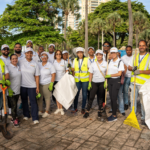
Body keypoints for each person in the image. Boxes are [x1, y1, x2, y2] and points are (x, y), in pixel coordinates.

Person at [128, 40, 150, 126]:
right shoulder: (134, 56)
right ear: (138, 46)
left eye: (143, 45)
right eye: (140, 45)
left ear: (146, 46)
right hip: (134, 82)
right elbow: (129, 67)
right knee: (132, 100)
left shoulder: (149, 57)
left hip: (143, 84)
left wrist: (140, 71)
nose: (141, 47)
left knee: (143, 101)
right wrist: (133, 68)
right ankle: (132, 114)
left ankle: (144, 118)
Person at [19, 47, 40, 124]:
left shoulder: (35, 64)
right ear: (25, 54)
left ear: (32, 54)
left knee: (33, 101)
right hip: (23, 85)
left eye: (30, 53)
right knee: (24, 100)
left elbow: (37, 76)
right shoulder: (20, 61)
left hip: (32, 86)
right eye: (27, 53)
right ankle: (26, 115)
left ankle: (35, 118)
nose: (29, 54)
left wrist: (37, 87)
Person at [84, 50, 107, 118]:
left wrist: (106, 81)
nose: (99, 56)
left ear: (102, 55)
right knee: (91, 97)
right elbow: (91, 74)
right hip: (94, 82)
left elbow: (106, 73)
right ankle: (87, 111)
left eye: (100, 55)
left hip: (102, 82)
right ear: (96, 56)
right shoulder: (93, 64)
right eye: (97, 55)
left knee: (100, 97)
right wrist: (90, 82)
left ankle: (99, 111)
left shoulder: (106, 63)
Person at [105, 47, 124, 122]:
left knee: (113, 98)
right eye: (111, 53)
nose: (113, 54)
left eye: (114, 53)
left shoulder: (120, 62)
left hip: (116, 81)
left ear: (117, 53)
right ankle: (113, 113)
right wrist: (106, 80)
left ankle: (114, 116)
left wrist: (110, 75)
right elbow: (107, 71)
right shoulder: (110, 61)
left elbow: (119, 74)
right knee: (111, 98)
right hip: (110, 81)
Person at [72, 47, 91, 114]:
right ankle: (75, 107)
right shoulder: (75, 60)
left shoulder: (87, 60)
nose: (80, 54)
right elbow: (73, 70)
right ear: (77, 53)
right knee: (76, 94)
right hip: (77, 80)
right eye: (78, 53)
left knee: (84, 94)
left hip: (85, 80)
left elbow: (90, 69)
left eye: (81, 52)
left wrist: (90, 81)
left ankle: (83, 108)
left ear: (83, 53)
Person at [38, 52, 56, 118]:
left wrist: (51, 83)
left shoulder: (50, 65)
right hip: (40, 84)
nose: (44, 57)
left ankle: (47, 111)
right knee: (39, 98)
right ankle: (40, 110)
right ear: (41, 57)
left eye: (45, 56)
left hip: (47, 83)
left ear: (47, 58)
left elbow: (53, 74)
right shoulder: (38, 64)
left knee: (47, 98)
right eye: (43, 56)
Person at [7, 54, 21, 127]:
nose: (15, 60)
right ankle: (15, 119)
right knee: (14, 106)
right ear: (10, 60)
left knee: (15, 104)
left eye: (16, 58)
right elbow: (6, 79)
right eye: (13, 59)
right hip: (11, 91)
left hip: (18, 89)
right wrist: (9, 89)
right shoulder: (8, 68)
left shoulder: (18, 67)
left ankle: (14, 117)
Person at [53, 50, 68, 115]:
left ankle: (61, 108)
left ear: (61, 55)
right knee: (56, 95)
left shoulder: (64, 62)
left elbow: (66, 72)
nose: (58, 55)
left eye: (59, 54)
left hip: (62, 80)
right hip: (55, 80)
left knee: (61, 95)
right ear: (55, 55)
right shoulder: (53, 62)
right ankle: (58, 108)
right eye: (57, 54)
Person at [0, 44, 11, 117]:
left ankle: (10, 112)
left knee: (9, 98)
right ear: (1, 51)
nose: (6, 50)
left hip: (8, 82)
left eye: (7, 49)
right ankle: (1, 113)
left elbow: (7, 71)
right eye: (4, 49)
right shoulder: (0, 60)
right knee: (1, 99)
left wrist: (7, 81)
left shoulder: (11, 58)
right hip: (1, 83)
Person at [121, 46, 133, 110]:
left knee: (132, 91)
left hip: (132, 77)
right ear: (126, 51)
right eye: (127, 50)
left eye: (130, 50)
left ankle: (131, 102)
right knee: (125, 91)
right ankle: (126, 103)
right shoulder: (122, 58)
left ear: (132, 50)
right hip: (125, 77)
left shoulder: (134, 57)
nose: (128, 51)